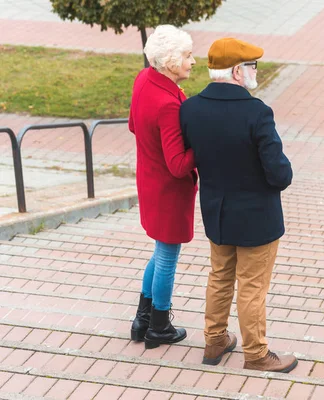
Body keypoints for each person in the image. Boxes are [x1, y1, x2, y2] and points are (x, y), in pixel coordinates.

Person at [180, 37, 296, 373]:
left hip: (216, 211)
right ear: (236, 71)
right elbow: (278, 173)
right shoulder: (257, 113)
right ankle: (257, 354)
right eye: (251, 66)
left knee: (219, 277)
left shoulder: (190, 109)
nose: (254, 71)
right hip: (256, 218)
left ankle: (215, 340)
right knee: (252, 286)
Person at [128, 25, 198, 350]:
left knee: (159, 252)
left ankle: (142, 320)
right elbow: (179, 165)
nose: (192, 61)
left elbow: (132, 125)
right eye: (186, 56)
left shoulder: (145, 79)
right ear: (170, 61)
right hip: (169, 190)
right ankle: (159, 327)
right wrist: (202, 144)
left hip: (149, 180)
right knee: (167, 256)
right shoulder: (168, 104)